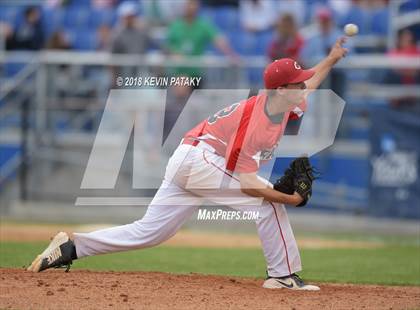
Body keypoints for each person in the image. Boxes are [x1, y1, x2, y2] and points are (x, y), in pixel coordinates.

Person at [27, 37, 348, 290]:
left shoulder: (283, 104)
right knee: (268, 204)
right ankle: (282, 276)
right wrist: (289, 198)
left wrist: (331, 58)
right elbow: (250, 186)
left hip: (189, 158)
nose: (304, 85)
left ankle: (71, 248)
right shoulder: (256, 122)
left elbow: (313, 82)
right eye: (297, 83)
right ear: (281, 90)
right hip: (201, 160)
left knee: (149, 233)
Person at [166, 0, 239, 79]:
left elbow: (218, 40)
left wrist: (231, 55)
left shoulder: (203, 25)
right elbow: (166, 46)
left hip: (196, 72)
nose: (191, 7)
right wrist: (174, 53)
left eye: (194, 5)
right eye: (189, 4)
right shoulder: (176, 25)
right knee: (182, 81)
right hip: (178, 71)